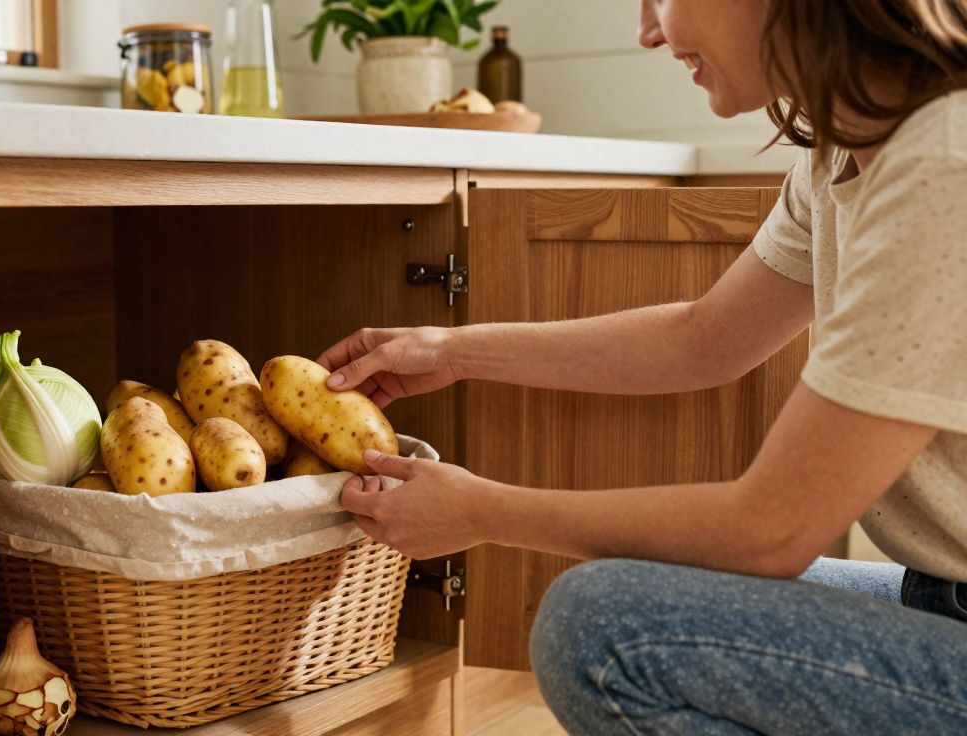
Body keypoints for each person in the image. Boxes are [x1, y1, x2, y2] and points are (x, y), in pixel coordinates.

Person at [317, 1, 967, 732]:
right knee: (656, 589)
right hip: (938, 597)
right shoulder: (843, 152)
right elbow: (703, 339)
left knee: (604, 628)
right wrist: (450, 350)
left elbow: (767, 532)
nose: (648, 31)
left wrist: (481, 510)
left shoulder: (944, 168)